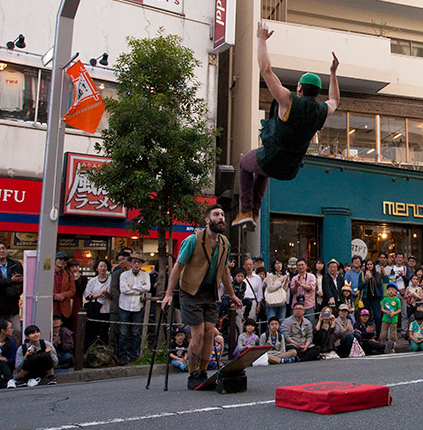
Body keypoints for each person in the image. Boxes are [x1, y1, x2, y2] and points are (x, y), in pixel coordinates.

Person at [234, 21, 341, 227]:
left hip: (273, 157)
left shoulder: (288, 100)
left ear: (299, 87)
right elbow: (335, 100)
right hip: (290, 168)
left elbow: (265, 70)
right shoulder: (321, 111)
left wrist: (261, 40)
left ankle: (246, 210)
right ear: (316, 92)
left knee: (244, 164)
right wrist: (333, 74)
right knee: (261, 168)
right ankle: (253, 214)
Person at [160, 204, 239, 390]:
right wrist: (169, 293)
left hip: (210, 292)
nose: (221, 218)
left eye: (222, 214)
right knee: (198, 333)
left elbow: (225, 271)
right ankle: (192, 373)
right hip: (191, 290)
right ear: (207, 220)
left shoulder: (225, 243)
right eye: (216, 215)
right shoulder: (192, 240)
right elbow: (178, 266)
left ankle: (203, 371)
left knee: (210, 332)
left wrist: (232, 294)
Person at [117, 253, 151, 366]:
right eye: (134, 262)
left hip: (138, 306)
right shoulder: (124, 275)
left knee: (136, 332)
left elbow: (147, 288)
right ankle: (122, 356)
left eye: (139, 262)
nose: (136, 264)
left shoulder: (145, 275)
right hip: (124, 306)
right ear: (130, 263)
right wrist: (138, 290)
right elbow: (124, 290)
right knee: (123, 332)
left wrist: (133, 288)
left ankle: (133, 355)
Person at [0, 241, 24, 337]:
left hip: (13, 304)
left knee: (16, 331)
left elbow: (23, 281)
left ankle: (14, 351)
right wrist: (11, 280)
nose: (2, 251)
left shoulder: (16, 265)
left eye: (3, 248)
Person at [83, 259, 113, 347]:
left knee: (103, 332)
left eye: (104, 266)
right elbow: (87, 296)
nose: (103, 268)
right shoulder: (93, 281)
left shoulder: (111, 280)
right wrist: (99, 294)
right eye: (101, 266)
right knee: (92, 332)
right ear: (97, 268)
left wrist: (107, 294)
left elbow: (113, 295)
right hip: (94, 310)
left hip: (106, 309)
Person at [52, 252, 76, 326]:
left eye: (64, 260)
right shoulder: (48, 274)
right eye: (60, 259)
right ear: (55, 260)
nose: (62, 261)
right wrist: (54, 295)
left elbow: (72, 290)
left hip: (64, 310)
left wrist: (63, 295)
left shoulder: (69, 275)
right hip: (51, 307)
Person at [379, 283, 402, 353]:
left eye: (392, 290)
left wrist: (394, 313)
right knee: (383, 333)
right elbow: (382, 308)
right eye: (389, 290)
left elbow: (399, 309)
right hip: (385, 318)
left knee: (393, 334)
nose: (391, 291)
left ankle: (393, 347)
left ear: (395, 291)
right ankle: (382, 346)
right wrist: (386, 312)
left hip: (394, 319)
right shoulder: (385, 299)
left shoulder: (397, 300)